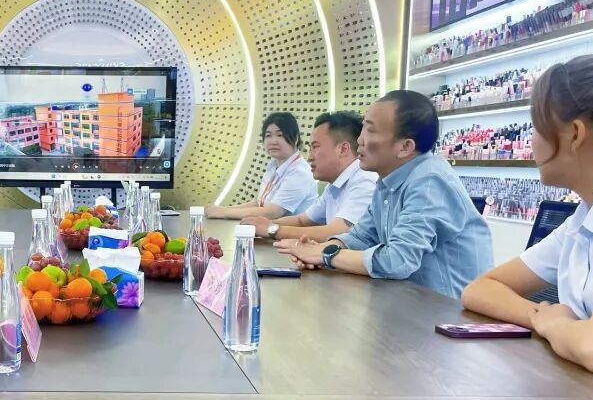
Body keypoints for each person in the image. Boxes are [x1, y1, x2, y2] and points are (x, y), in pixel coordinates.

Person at [462, 54, 593, 373]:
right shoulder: (583, 219)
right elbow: (480, 289)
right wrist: (544, 319)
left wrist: (558, 326)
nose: (531, 141)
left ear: (576, 134)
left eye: (537, 126)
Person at [275, 90, 493, 299]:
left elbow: (398, 260)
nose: (359, 140)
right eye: (363, 128)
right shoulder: (387, 181)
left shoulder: (430, 181)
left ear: (405, 146)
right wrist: (322, 249)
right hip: (409, 303)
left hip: (448, 314)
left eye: (370, 131)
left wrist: (326, 256)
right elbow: (362, 236)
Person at [242, 110, 376, 242]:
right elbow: (302, 221)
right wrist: (259, 224)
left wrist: (272, 229)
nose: (309, 157)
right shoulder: (334, 186)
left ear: (343, 149)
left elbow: (338, 232)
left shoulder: (365, 180)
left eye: (315, 147)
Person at [206, 111, 317, 220]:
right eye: (268, 135)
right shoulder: (273, 165)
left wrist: (224, 212)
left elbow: (273, 212)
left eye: (280, 135)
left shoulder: (300, 172)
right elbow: (260, 203)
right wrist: (223, 209)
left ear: (295, 138)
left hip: (289, 231)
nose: (273, 141)